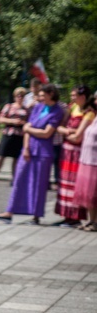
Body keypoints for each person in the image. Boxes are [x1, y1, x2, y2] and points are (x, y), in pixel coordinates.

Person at [0, 84, 64, 225]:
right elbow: (27, 128)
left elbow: (46, 133)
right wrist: (25, 147)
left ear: (51, 94)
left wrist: (30, 129)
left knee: (39, 183)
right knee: (19, 179)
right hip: (29, 148)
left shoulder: (57, 111)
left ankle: (36, 215)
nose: (40, 97)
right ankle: (10, 211)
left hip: (43, 151)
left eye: (43, 95)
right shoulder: (38, 107)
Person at [53, 85, 95, 227]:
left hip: (77, 154)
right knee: (64, 184)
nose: (71, 98)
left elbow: (78, 137)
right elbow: (59, 126)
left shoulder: (89, 113)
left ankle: (74, 216)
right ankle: (66, 215)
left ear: (82, 97)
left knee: (73, 185)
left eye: (73, 95)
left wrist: (66, 133)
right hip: (66, 152)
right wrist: (68, 132)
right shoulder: (72, 108)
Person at [0, 87, 29, 186]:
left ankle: (14, 178)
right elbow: (1, 119)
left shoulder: (26, 109)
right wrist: (12, 121)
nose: (20, 98)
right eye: (18, 96)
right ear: (15, 97)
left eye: (22, 96)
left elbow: (29, 122)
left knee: (16, 158)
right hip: (8, 133)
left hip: (19, 135)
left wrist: (22, 122)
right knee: (1, 156)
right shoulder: (9, 106)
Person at [73, 92, 97, 231]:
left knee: (94, 194)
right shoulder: (94, 116)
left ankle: (95, 222)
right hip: (87, 159)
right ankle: (90, 220)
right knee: (89, 194)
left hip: (95, 161)